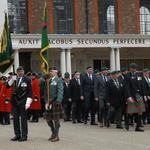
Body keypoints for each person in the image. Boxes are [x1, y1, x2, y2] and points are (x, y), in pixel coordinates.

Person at [8, 66, 32, 141]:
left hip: (23, 101)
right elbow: (7, 86)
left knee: (23, 119)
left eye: (22, 71)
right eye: (19, 71)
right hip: (15, 102)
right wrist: (12, 80)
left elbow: (30, 91)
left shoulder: (27, 79)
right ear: (17, 72)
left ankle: (24, 136)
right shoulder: (15, 79)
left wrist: (28, 102)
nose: (20, 72)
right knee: (15, 119)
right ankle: (17, 135)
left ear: (23, 71)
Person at [44, 67, 64, 142]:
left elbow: (60, 90)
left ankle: (56, 136)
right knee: (48, 119)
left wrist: (59, 100)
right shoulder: (47, 80)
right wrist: (46, 100)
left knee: (56, 119)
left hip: (55, 102)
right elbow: (45, 92)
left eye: (52, 71)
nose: (50, 73)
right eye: (50, 71)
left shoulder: (58, 80)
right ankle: (53, 133)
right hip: (48, 102)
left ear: (56, 72)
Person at [125, 63, 146, 131]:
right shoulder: (127, 76)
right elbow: (127, 87)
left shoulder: (139, 75)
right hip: (131, 95)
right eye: (132, 68)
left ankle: (138, 127)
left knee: (140, 111)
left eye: (135, 68)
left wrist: (144, 95)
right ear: (130, 68)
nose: (134, 69)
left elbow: (142, 85)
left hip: (138, 95)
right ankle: (127, 123)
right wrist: (129, 97)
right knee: (131, 111)